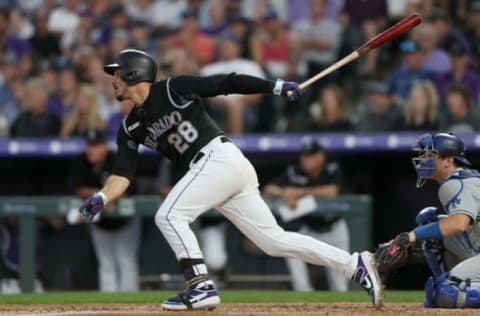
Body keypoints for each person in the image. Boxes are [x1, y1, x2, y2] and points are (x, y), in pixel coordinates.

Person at [78, 49, 383, 310]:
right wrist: (102, 197)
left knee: (168, 215)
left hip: (218, 159)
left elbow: (226, 82)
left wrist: (274, 86)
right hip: (216, 171)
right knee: (274, 242)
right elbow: (121, 174)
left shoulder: (172, 88)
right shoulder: (130, 127)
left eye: (117, 73)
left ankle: (200, 286)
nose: (113, 79)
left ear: (134, 73)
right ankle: (354, 264)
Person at [378, 133, 480, 308]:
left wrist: (411, 236)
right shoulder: (462, 178)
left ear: (448, 160)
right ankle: (451, 281)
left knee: (447, 294)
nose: (423, 160)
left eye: (430, 155)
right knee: (430, 226)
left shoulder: (455, 184)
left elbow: (458, 224)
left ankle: (453, 285)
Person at [263, 139, 350, 292]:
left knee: (339, 286)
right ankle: (303, 298)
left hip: (334, 231)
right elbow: (268, 189)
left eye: (310, 156)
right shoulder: (293, 171)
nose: (305, 160)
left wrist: (300, 193)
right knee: (292, 252)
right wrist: (285, 193)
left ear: (320, 157)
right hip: (308, 230)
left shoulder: (332, 169)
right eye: (304, 156)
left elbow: (332, 191)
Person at [69, 128, 140, 292]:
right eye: (89, 145)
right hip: (101, 223)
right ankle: (109, 306)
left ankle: (130, 306)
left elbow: (123, 192)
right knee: (106, 262)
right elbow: (78, 188)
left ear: (104, 146)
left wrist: (100, 197)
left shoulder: (117, 160)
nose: (91, 150)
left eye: (96, 146)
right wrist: (102, 194)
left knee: (126, 260)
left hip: (125, 221)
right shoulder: (81, 162)